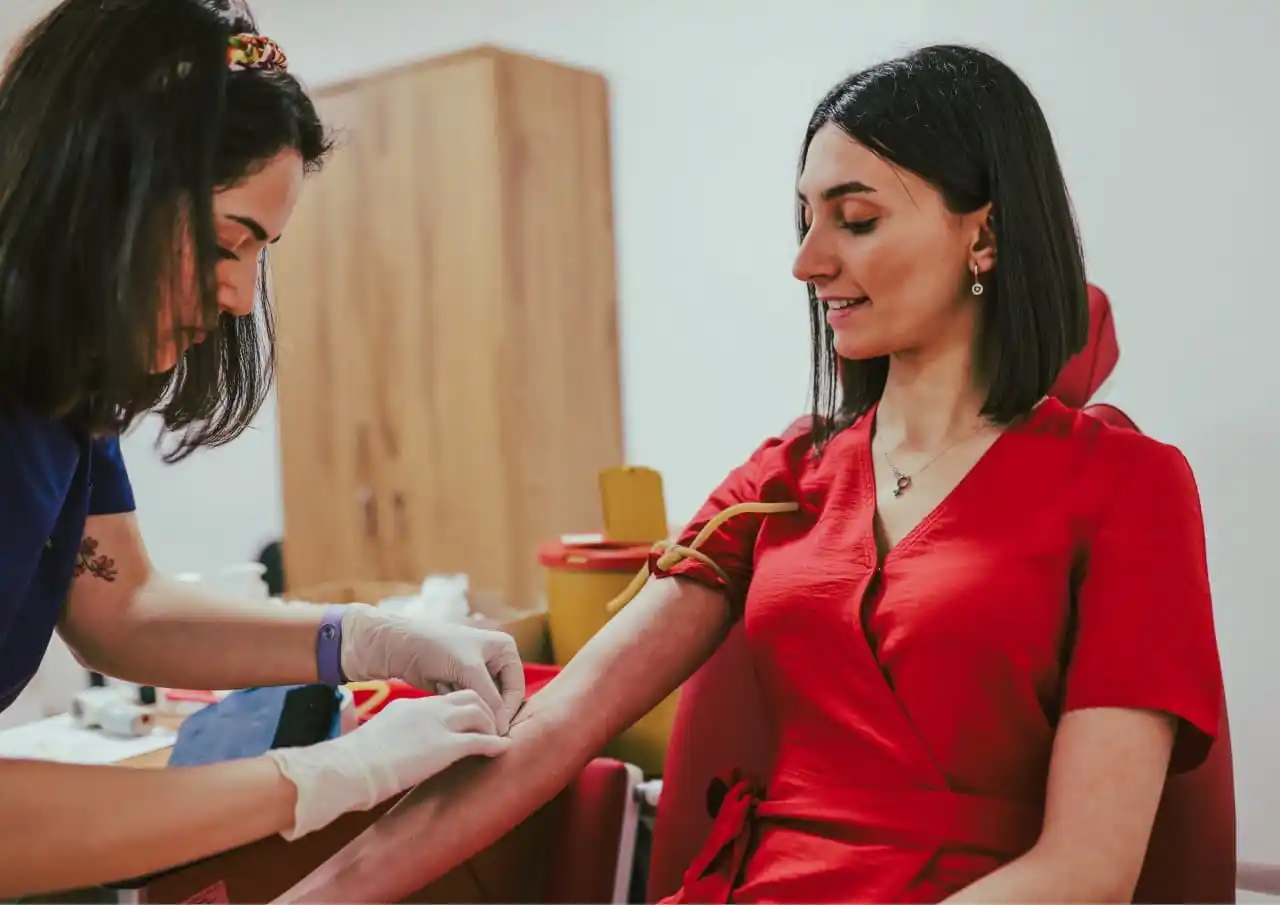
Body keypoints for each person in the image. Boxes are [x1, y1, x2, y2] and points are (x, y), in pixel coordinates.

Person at [274, 45, 1225, 905]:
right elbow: (554, 732)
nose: (808, 261)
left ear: (982, 234)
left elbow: (1088, 868)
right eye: (804, 219)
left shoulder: (1128, 484)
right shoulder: (787, 475)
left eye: (854, 219)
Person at [0, 0, 524, 897]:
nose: (242, 298)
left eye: (262, 255)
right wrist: (317, 778)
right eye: (224, 242)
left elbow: (121, 610)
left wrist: (364, 639)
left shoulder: (63, 387)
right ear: (101, 186)